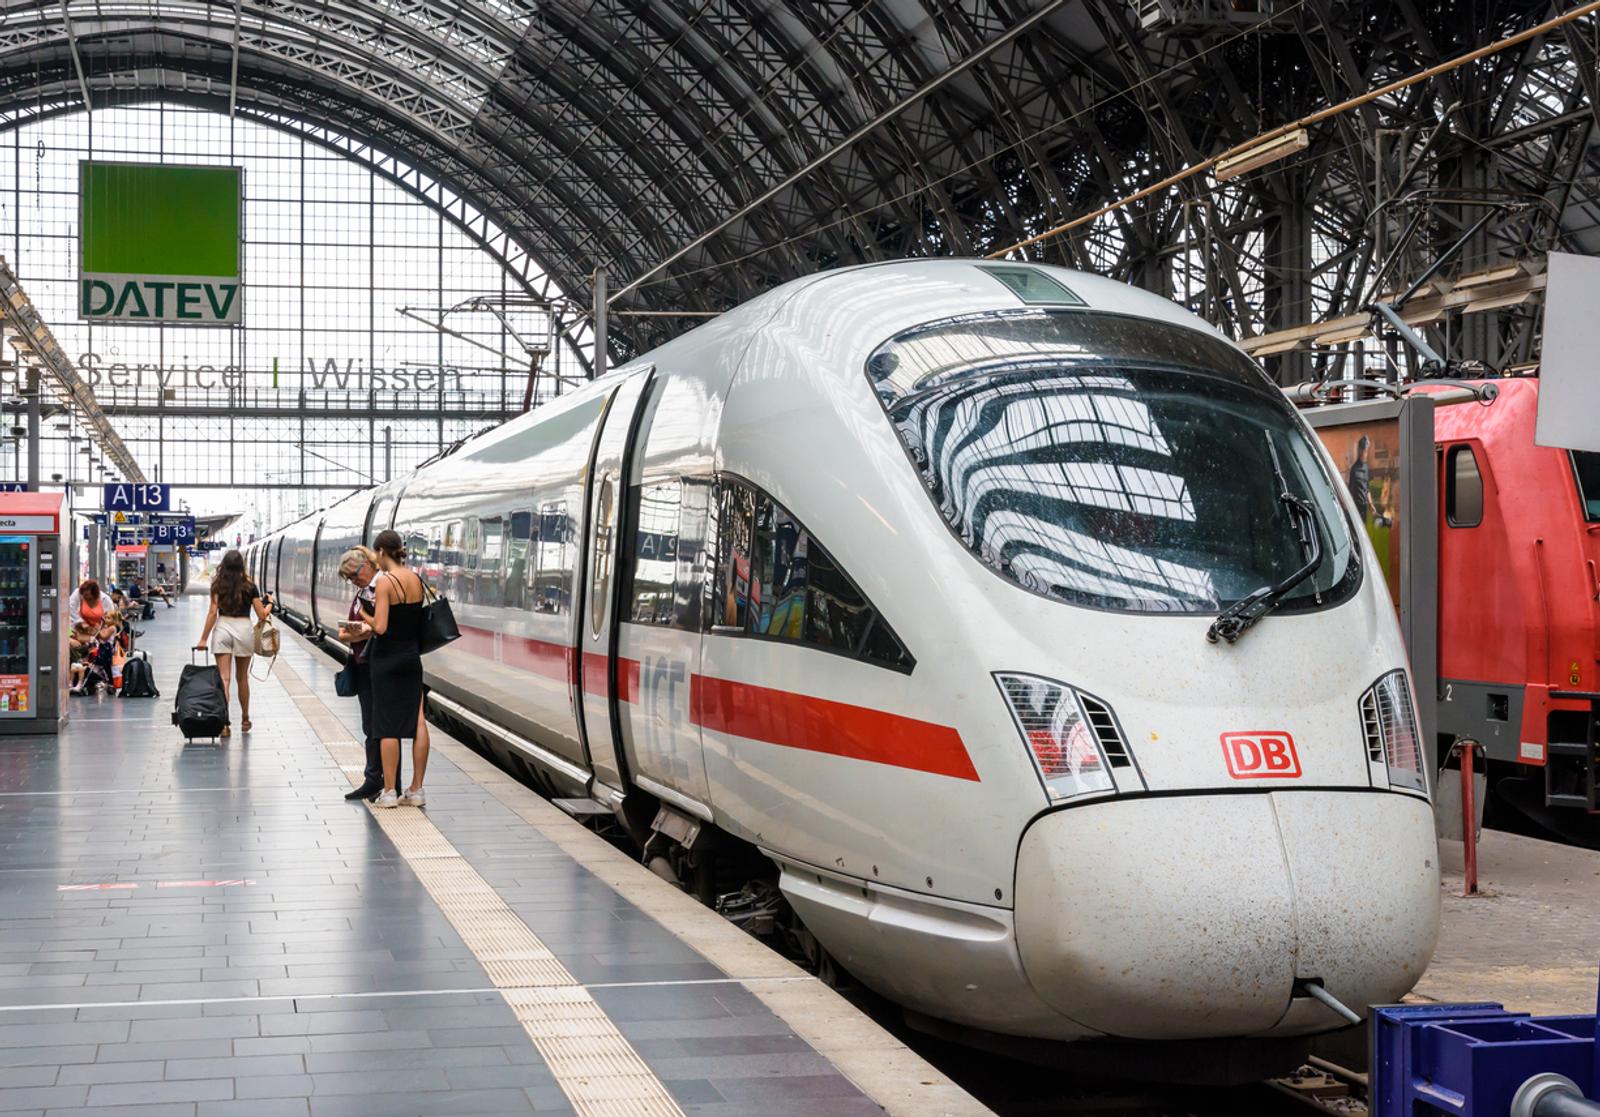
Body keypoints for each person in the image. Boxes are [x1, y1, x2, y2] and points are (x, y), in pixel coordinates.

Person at [356, 529, 429, 808]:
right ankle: (417, 789)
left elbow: (382, 627)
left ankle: (389, 791)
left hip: (387, 659)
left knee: (387, 724)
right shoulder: (416, 579)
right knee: (418, 720)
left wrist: (366, 615)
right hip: (412, 657)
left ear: (382, 553)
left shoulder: (385, 582)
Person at [332, 546, 400, 802]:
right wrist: (358, 631)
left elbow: (380, 627)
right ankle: (374, 779)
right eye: (349, 579)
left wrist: (362, 629)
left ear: (368, 565)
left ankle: (385, 781)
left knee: (380, 725)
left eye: (354, 575)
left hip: (376, 664)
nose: (353, 581)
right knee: (370, 725)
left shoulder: (381, 587)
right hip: (362, 662)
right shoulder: (363, 592)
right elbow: (345, 633)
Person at [193, 550, 273, 738]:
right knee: (242, 678)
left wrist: (203, 638)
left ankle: (224, 724)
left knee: (224, 679)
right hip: (244, 630)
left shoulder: (217, 585)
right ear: (241, 566)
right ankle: (245, 719)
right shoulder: (250, 586)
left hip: (223, 628)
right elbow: (262, 615)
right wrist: (270, 604)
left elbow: (213, 613)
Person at [1347, 435, 1372, 522]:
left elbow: (1367, 488)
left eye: (1367, 451)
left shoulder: (1366, 467)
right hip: (1356, 509)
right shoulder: (1354, 469)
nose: (1366, 454)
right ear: (1360, 451)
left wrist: (1371, 504)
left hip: (1364, 508)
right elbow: (1350, 490)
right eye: (1365, 451)